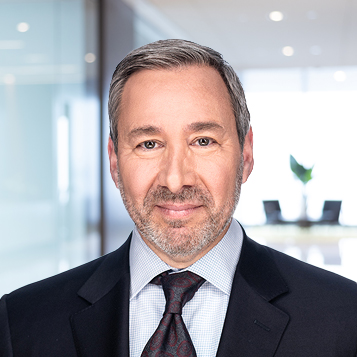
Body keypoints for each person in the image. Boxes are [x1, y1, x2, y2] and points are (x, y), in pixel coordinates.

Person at [1, 39, 357, 357]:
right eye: (149, 144)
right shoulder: (22, 322)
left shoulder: (344, 316)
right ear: (114, 162)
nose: (175, 180)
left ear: (245, 156)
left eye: (203, 141)